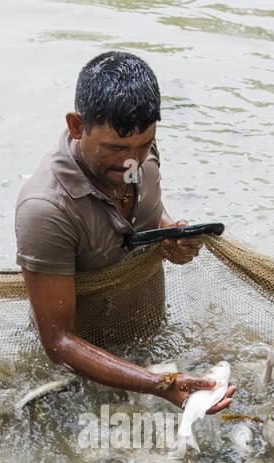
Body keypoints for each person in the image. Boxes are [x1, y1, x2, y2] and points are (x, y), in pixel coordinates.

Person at [15, 51, 235, 413]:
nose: (131, 160)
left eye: (143, 145)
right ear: (75, 126)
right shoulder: (46, 211)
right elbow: (58, 343)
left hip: (150, 331)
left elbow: (150, 208)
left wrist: (168, 233)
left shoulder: (137, 146)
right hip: (86, 371)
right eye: (115, 149)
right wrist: (160, 384)